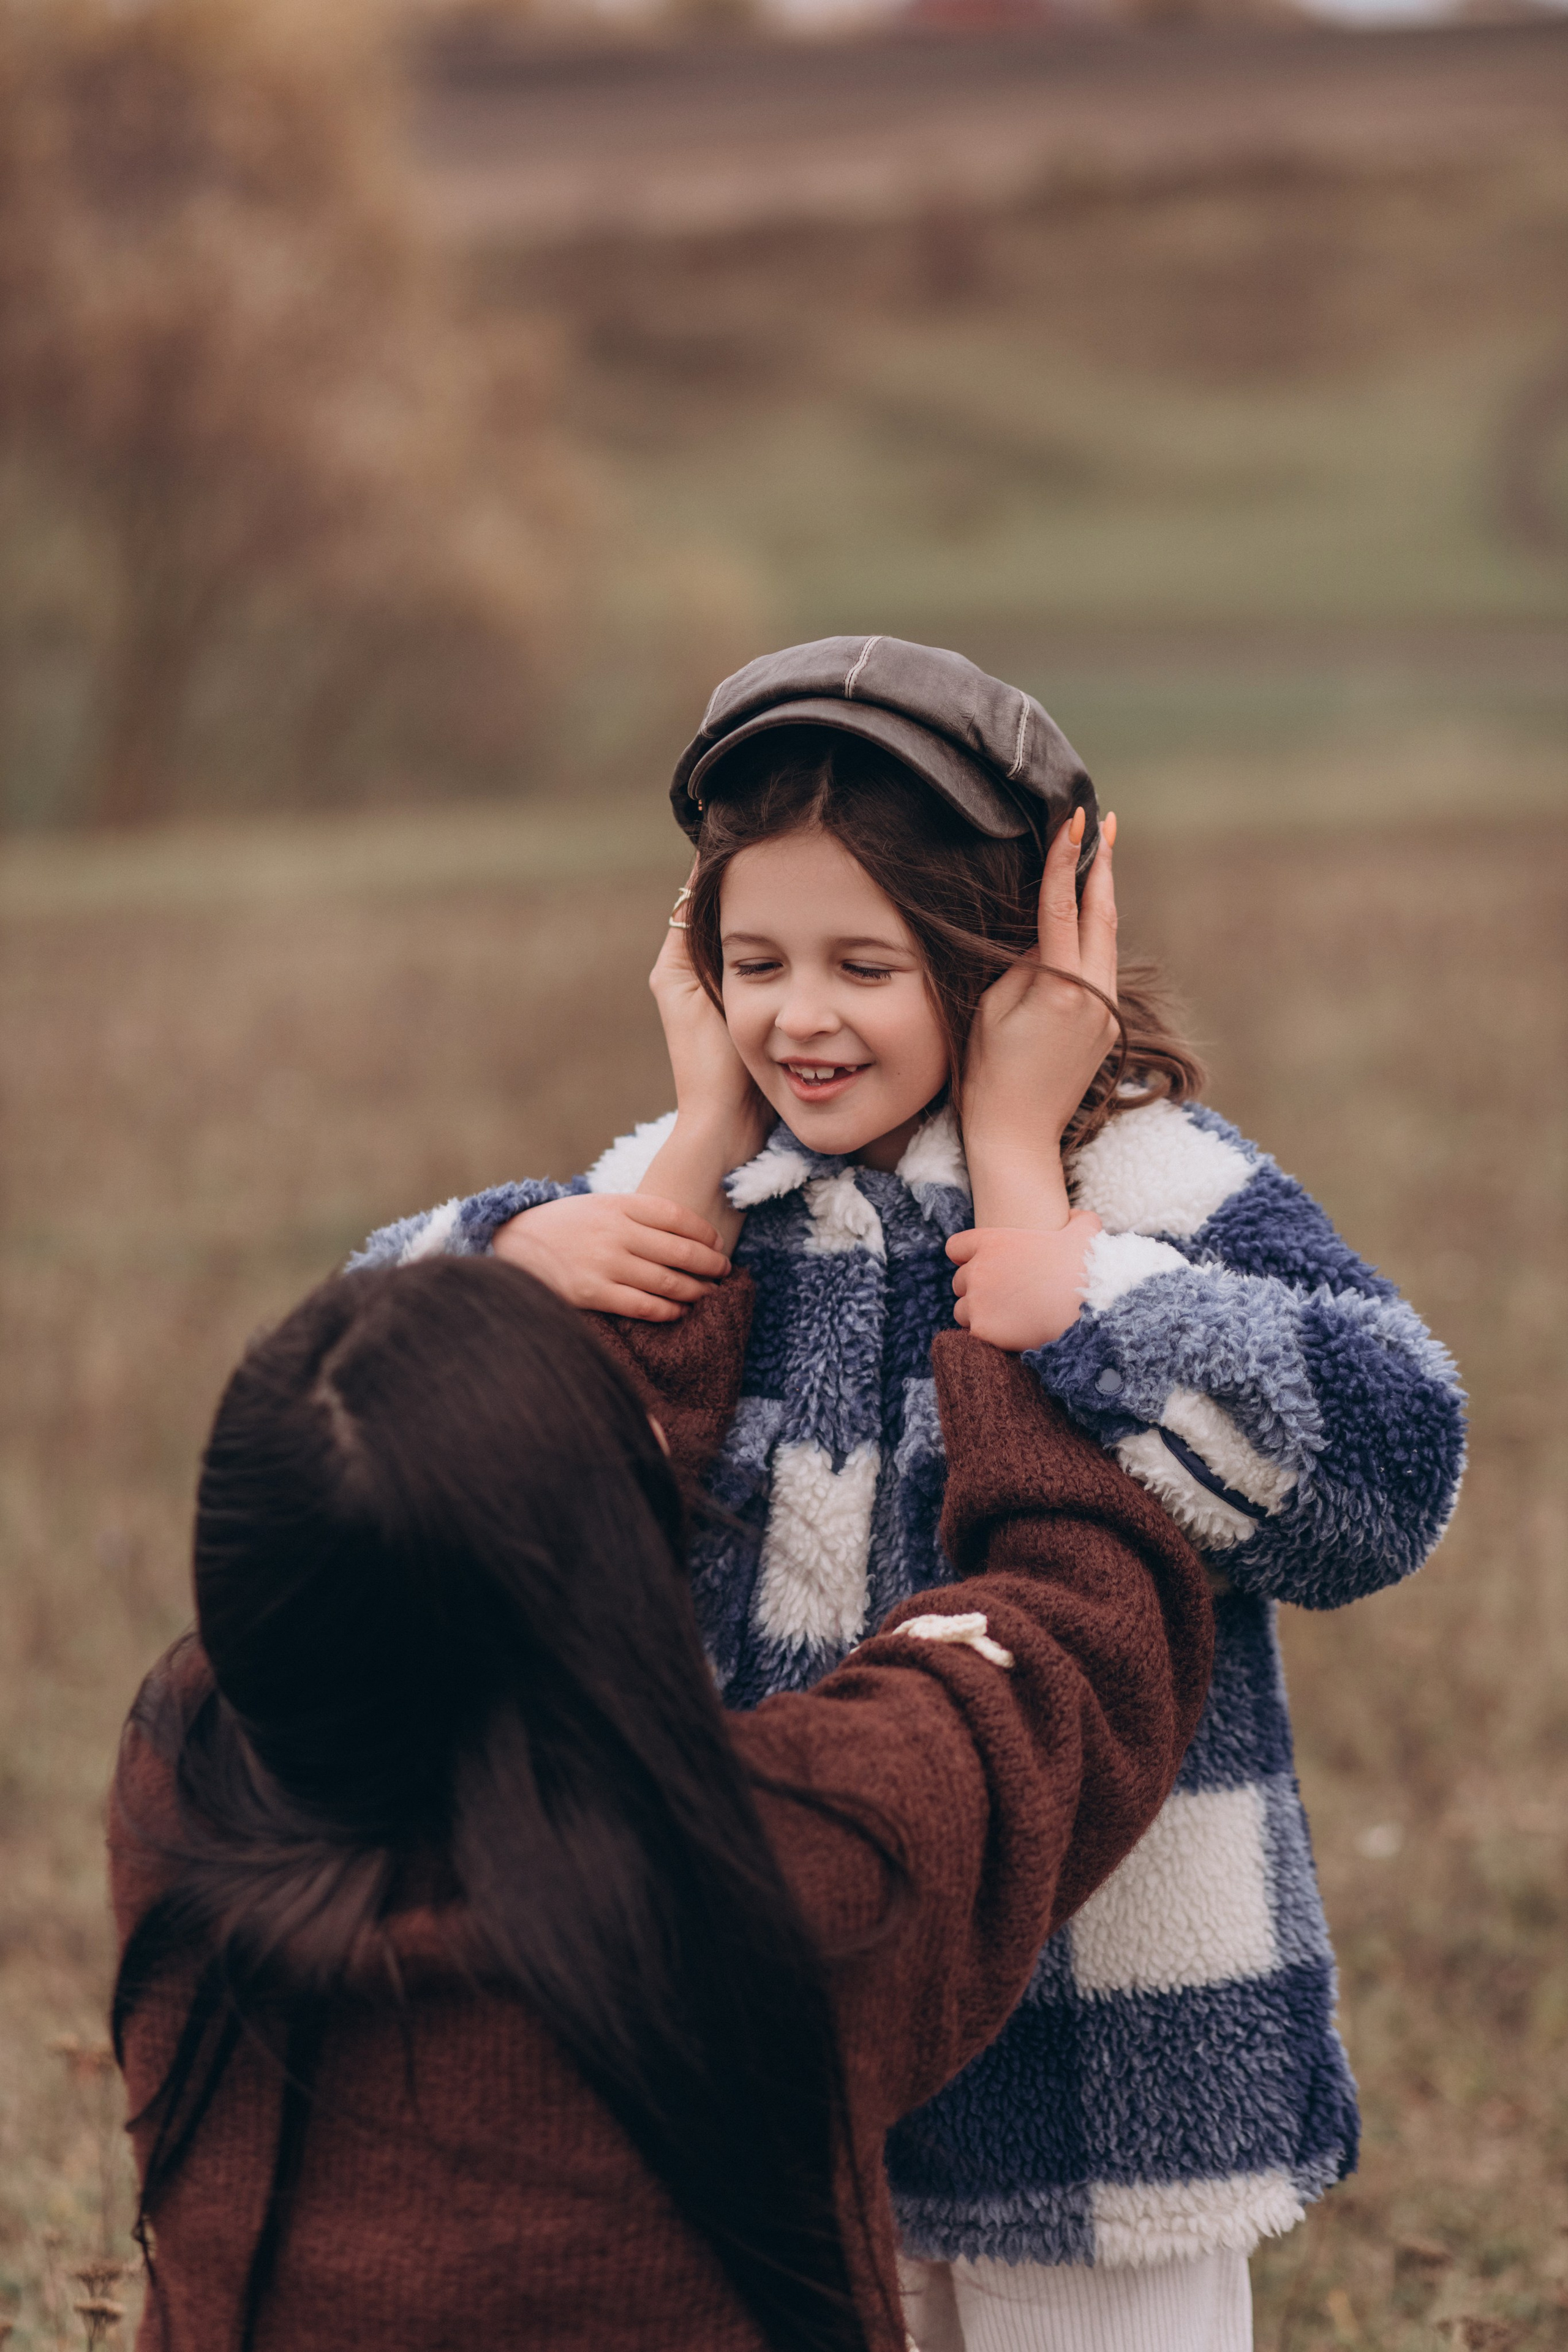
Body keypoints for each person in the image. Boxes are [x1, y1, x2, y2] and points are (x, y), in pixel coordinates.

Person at [352, 636, 1468, 2351]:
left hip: (1103, 2054)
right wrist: (539, 1241)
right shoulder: (686, 1195)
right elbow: (345, 1415)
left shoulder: (1144, 1186)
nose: (799, 1017)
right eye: (753, 962)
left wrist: (1072, 1271)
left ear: (1008, 959)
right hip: (764, 2050)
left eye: (862, 964)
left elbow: (1392, 1467)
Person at [109, 1253, 1214, 2352]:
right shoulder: (784, 1864)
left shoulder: (181, 1794)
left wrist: (670, 1225)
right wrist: (1032, 1333)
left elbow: (433, 1568)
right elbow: (1084, 1634)